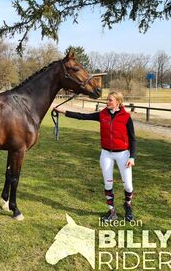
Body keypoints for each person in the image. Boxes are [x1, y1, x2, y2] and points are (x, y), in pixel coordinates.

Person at [57, 91, 136, 224]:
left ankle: (127, 205)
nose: (107, 102)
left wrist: (132, 157)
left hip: (123, 154)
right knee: (108, 183)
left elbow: (133, 139)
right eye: (107, 100)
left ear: (118, 102)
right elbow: (83, 116)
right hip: (106, 154)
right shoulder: (102, 114)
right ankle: (111, 211)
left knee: (128, 185)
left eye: (110, 100)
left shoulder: (126, 117)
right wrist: (64, 112)